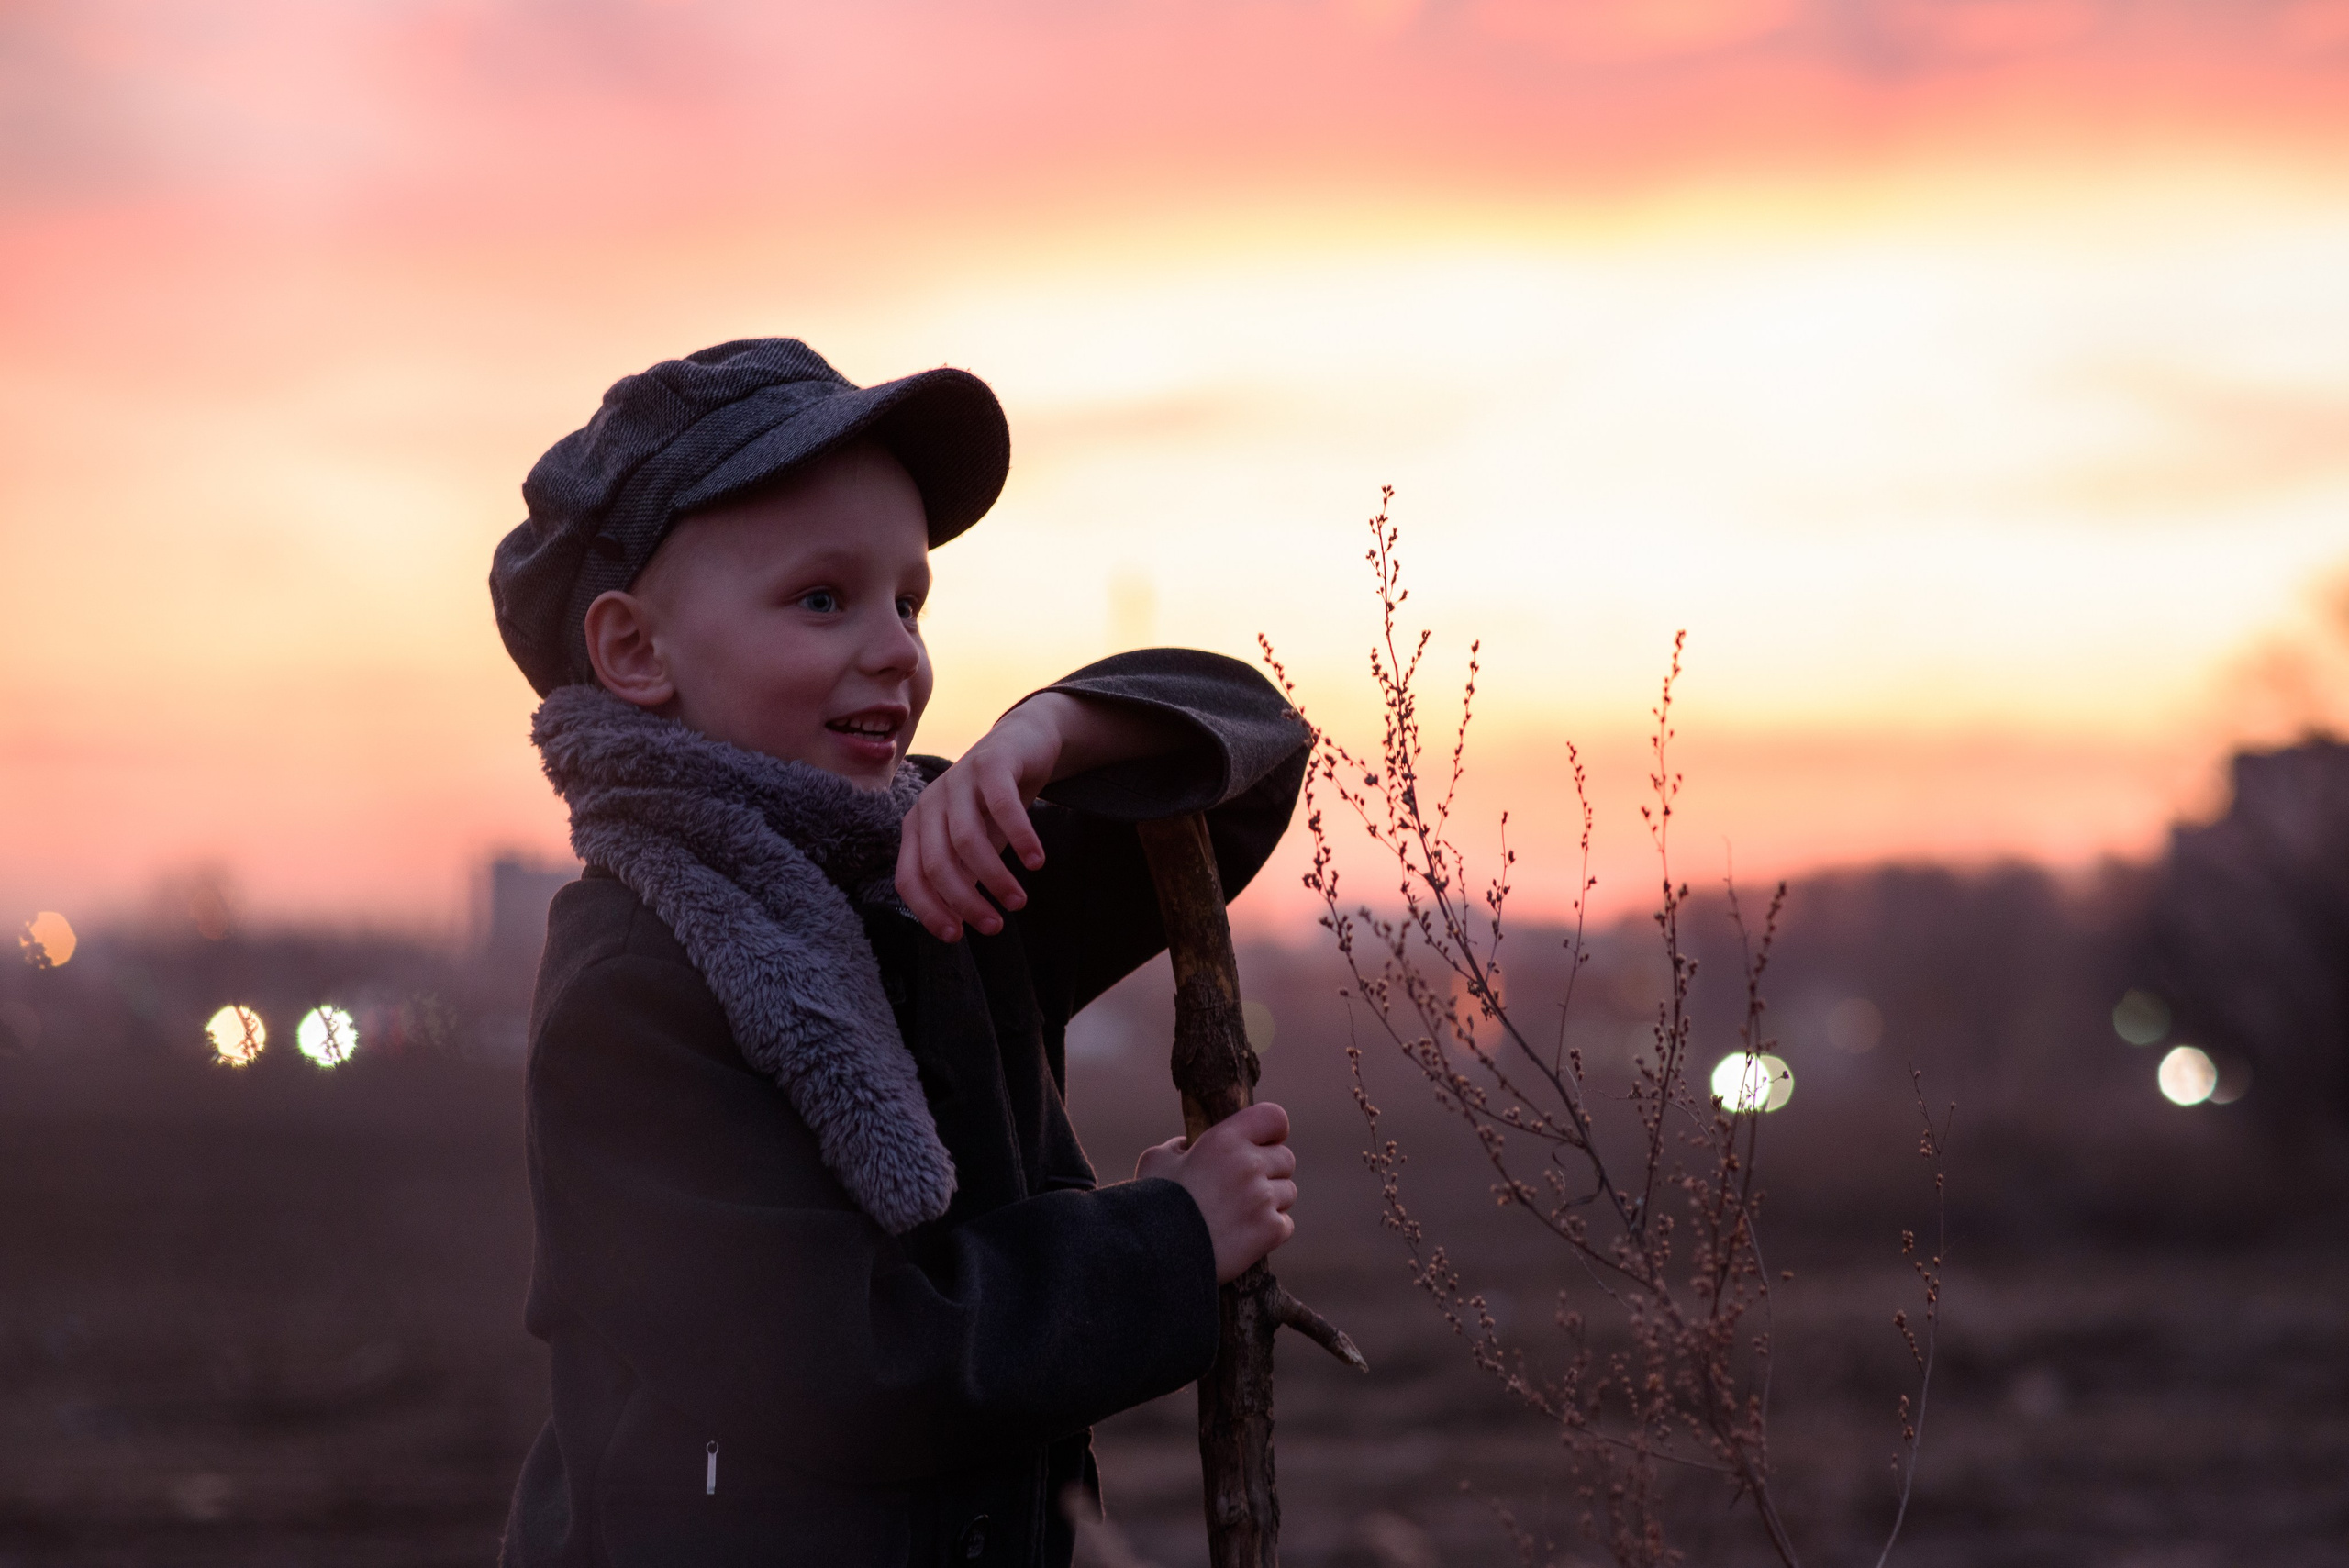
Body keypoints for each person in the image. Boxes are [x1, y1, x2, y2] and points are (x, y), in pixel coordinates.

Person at [485, 338, 1310, 1567]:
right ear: (635, 651)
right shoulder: (636, 985)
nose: (896, 650)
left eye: (910, 599)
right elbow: (839, 1361)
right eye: (823, 598)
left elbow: (1250, 745)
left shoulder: (945, 864)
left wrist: (1046, 732)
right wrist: (1163, 1238)